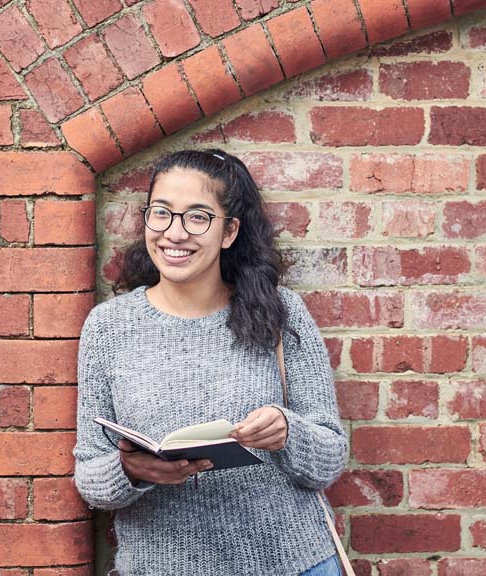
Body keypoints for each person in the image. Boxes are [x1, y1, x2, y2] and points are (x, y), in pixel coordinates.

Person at [73, 148, 349, 576]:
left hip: (292, 564)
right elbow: (90, 477)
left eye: (197, 217)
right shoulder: (108, 327)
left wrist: (287, 432)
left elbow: (331, 457)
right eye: (161, 213)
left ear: (229, 231)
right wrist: (128, 469)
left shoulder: (280, 312)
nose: (175, 233)